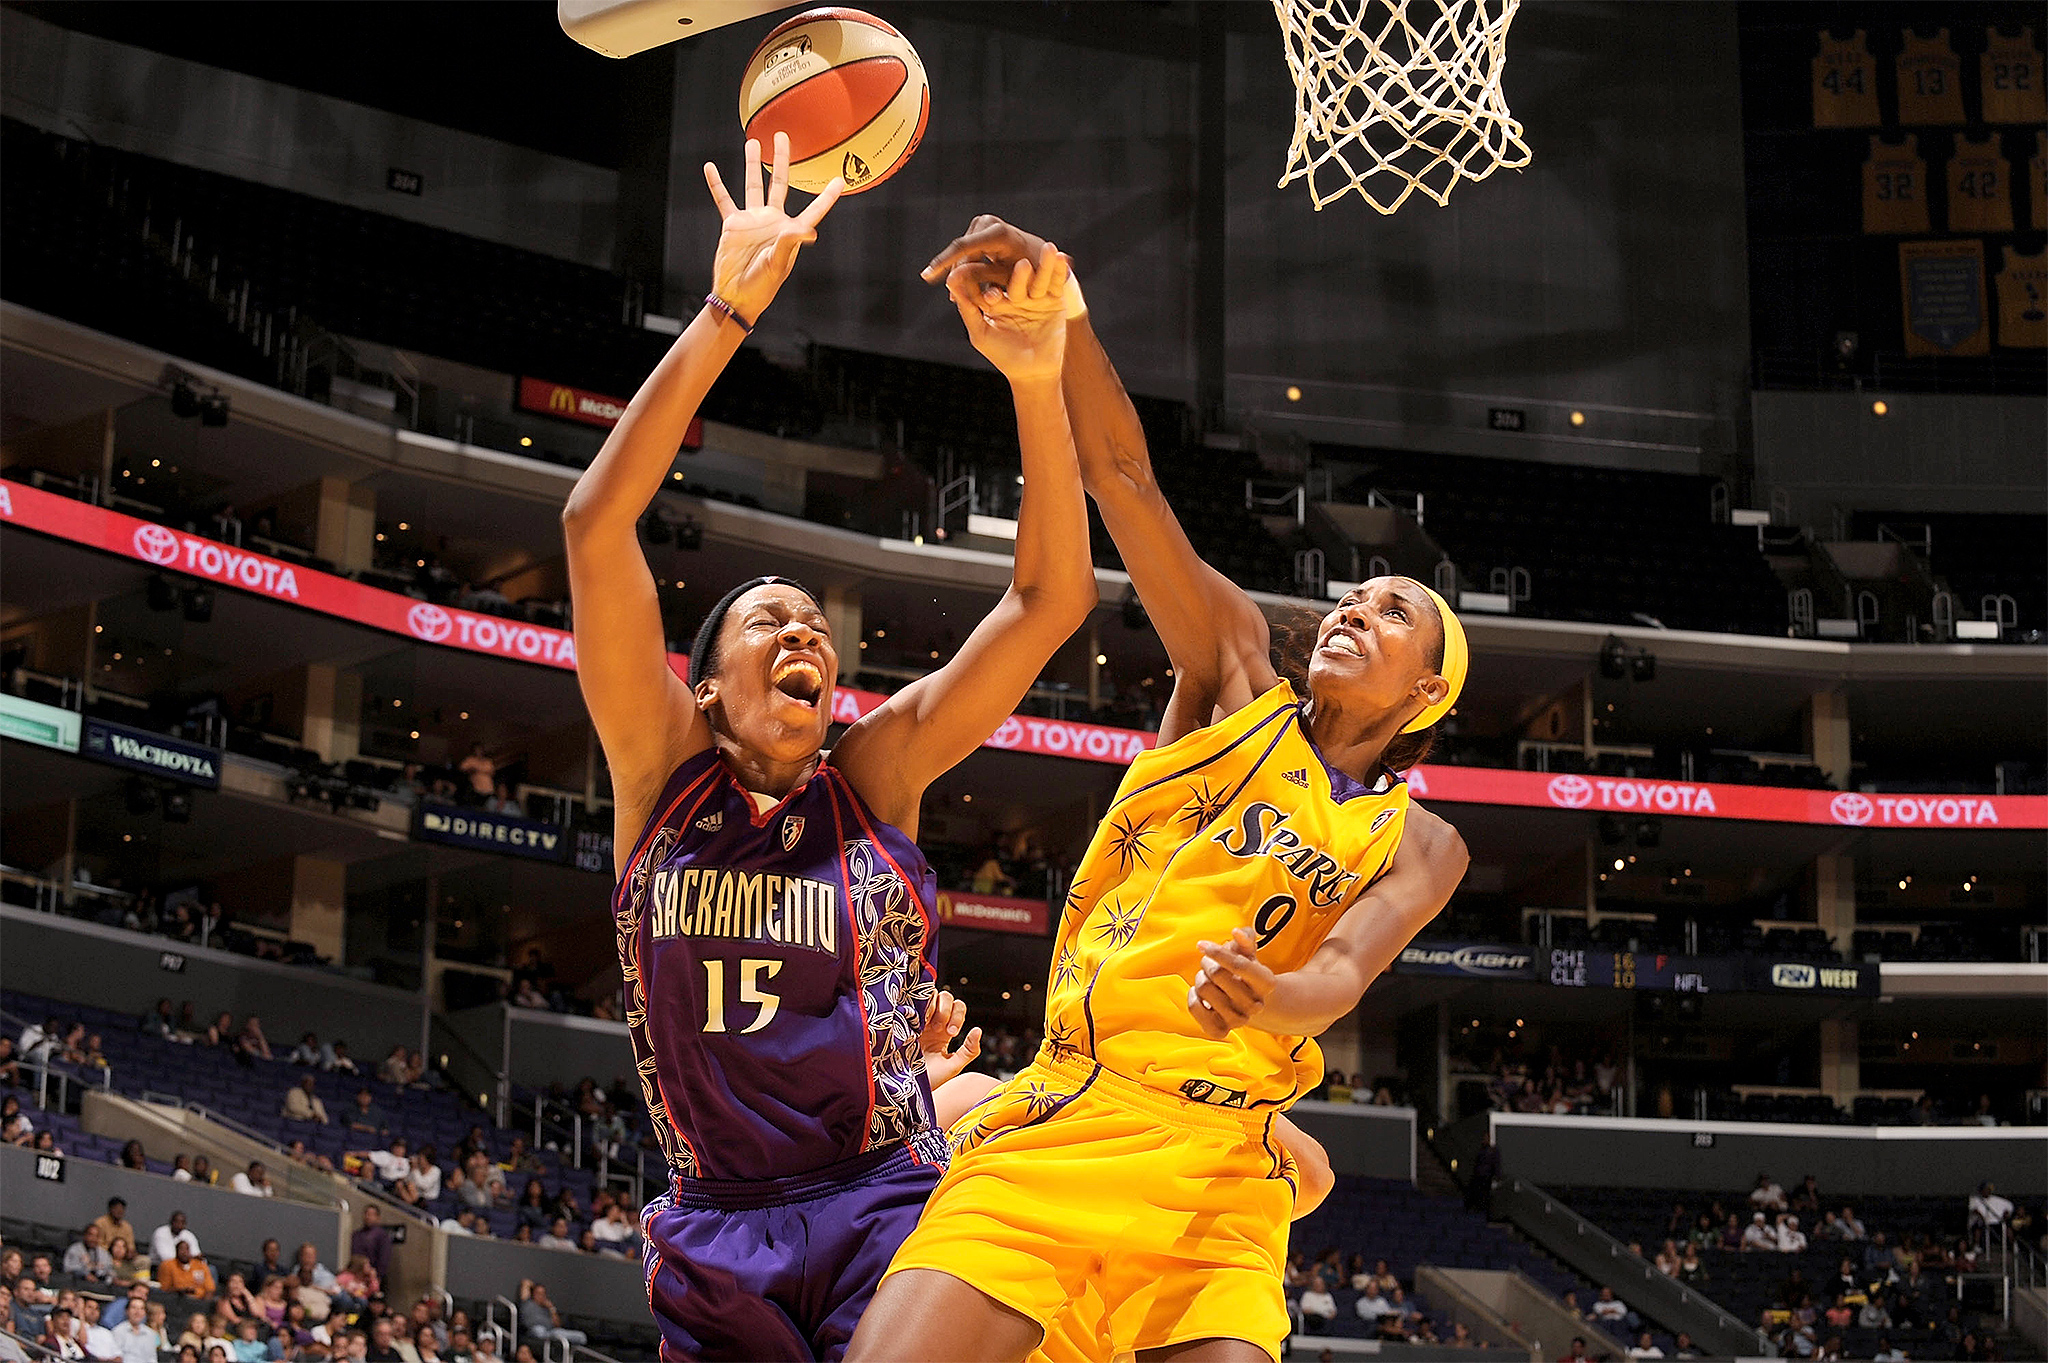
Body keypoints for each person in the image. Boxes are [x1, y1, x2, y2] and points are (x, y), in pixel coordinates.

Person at [850, 216, 1471, 1363]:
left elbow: (1337, 970)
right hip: (1071, 1111)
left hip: (1222, 1162)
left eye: (1390, 610)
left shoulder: (1421, 840)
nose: (1350, 610)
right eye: (1350, 596)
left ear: (1427, 689)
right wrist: (1065, 314)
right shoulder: (1236, 676)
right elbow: (1122, 476)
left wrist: (1265, 1001)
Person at [565, 134, 1107, 1363]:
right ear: (702, 689)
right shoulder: (660, 772)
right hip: (714, 1226)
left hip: (882, 1192)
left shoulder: (873, 777)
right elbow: (595, 522)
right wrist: (723, 311)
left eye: (815, 625)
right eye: (768, 618)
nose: (804, 628)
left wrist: (1035, 375)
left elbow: (1048, 603)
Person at [514, 1284, 583, 1350]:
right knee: (539, 1330)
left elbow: (557, 1325)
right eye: (538, 1293)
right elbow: (525, 1282)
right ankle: (555, 1337)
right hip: (534, 1330)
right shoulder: (527, 1303)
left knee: (581, 1336)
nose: (541, 1296)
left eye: (543, 1294)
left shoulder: (547, 1308)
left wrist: (551, 1308)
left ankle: (556, 1337)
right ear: (533, 1294)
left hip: (551, 1331)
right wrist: (533, 1285)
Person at [350, 1208, 392, 1285]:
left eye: (371, 1214)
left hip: (373, 1276)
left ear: (378, 1218)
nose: (368, 1217)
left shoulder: (382, 1235)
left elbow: (384, 1257)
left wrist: (378, 1276)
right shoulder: (356, 1235)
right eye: (366, 1214)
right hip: (356, 1275)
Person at [109, 1298, 157, 1363]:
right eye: (134, 1308)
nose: (138, 1312)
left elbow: (152, 1359)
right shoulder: (118, 1331)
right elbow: (116, 1356)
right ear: (127, 1311)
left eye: (141, 1309)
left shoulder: (151, 1334)